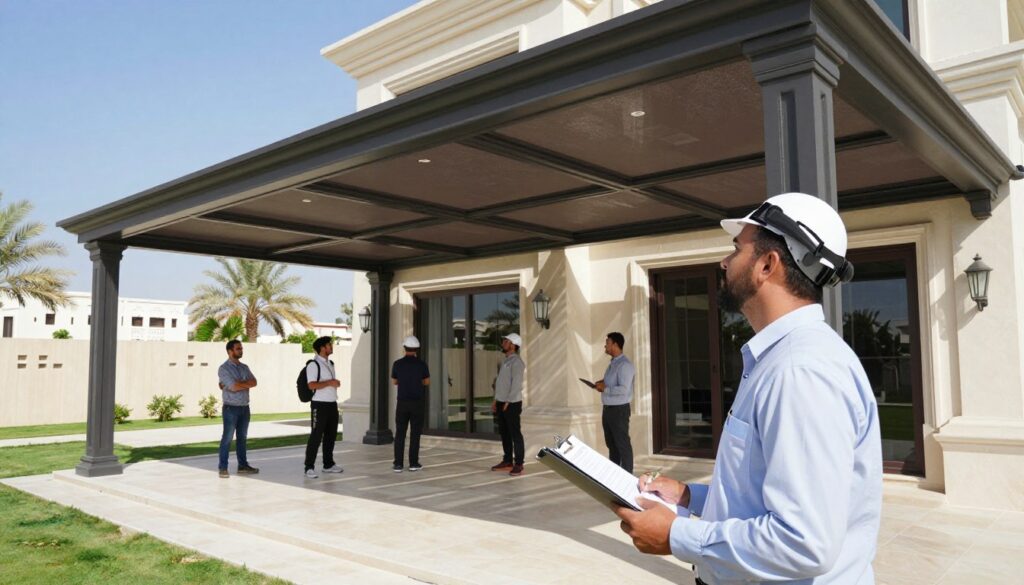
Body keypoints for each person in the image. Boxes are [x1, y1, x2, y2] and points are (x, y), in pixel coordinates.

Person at [615, 193, 882, 585]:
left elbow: (804, 542)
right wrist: (690, 497)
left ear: (767, 264)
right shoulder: (779, 359)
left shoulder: (799, 371)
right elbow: (764, 495)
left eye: (736, 249)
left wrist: (676, 535)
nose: (724, 262)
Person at [591, 332, 635, 473]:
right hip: (608, 410)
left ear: (615, 344)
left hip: (619, 411)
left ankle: (627, 476)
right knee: (612, 445)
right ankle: (615, 476)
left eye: (607, 343)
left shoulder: (625, 365)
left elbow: (623, 389)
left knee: (622, 445)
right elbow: (612, 384)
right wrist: (602, 383)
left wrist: (605, 388)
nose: (605, 345)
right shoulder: (613, 363)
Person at [216, 339, 259, 478]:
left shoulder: (244, 367)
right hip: (231, 408)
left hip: (245, 408)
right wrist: (242, 384)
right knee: (227, 438)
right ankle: (223, 467)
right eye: (238, 349)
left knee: (242, 438)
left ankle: (243, 466)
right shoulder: (223, 369)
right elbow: (233, 387)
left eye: (241, 348)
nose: (241, 351)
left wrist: (239, 383)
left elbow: (254, 382)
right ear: (230, 351)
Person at [303, 336, 344, 478]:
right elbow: (311, 385)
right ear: (322, 348)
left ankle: (328, 464)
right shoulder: (313, 365)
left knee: (330, 436)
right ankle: (309, 466)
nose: (331, 347)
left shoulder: (330, 363)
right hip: (319, 405)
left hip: (332, 404)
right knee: (316, 436)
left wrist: (332, 383)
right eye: (329, 345)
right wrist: (330, 382)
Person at [391, 335, 430, 472]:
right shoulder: (422, 364)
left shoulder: (397, 364)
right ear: (416, 350)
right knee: (415, 434)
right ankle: (413, 463)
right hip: (417, 403)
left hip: (402, 403)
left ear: (404, 348)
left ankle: (398, 464)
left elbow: (395, 381)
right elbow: (426, 382)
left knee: (400, 433)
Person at [489, 332, 526, 476]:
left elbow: (516, 384)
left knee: (515, 433)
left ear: (513, 345)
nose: (503, 342)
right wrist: (495, 400)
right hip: (501, 402)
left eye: (506, 341)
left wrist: (508, 402)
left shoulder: (517, 362)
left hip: (511, 403)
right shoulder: (506, 361)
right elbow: (501, 384)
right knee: (504, 433)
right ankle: (507, 460)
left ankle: (519, 463)